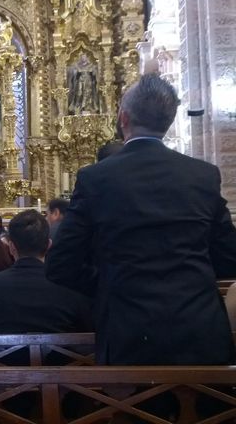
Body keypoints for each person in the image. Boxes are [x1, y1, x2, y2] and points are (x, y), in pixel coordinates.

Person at [46, 74, 236, 365]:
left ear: (123, 118)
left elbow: (60, 265)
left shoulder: (96, 178)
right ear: (170, 120)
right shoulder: (203, 175)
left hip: (128, 331)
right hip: (199, 328)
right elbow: (229, 257)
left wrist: (110, 283)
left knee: (134, 411)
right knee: (207, 411)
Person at [0, 210, 92, 335]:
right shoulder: (72, 285)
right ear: (49, 245)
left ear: (11, 247)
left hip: (4, 355)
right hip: (63, 355)